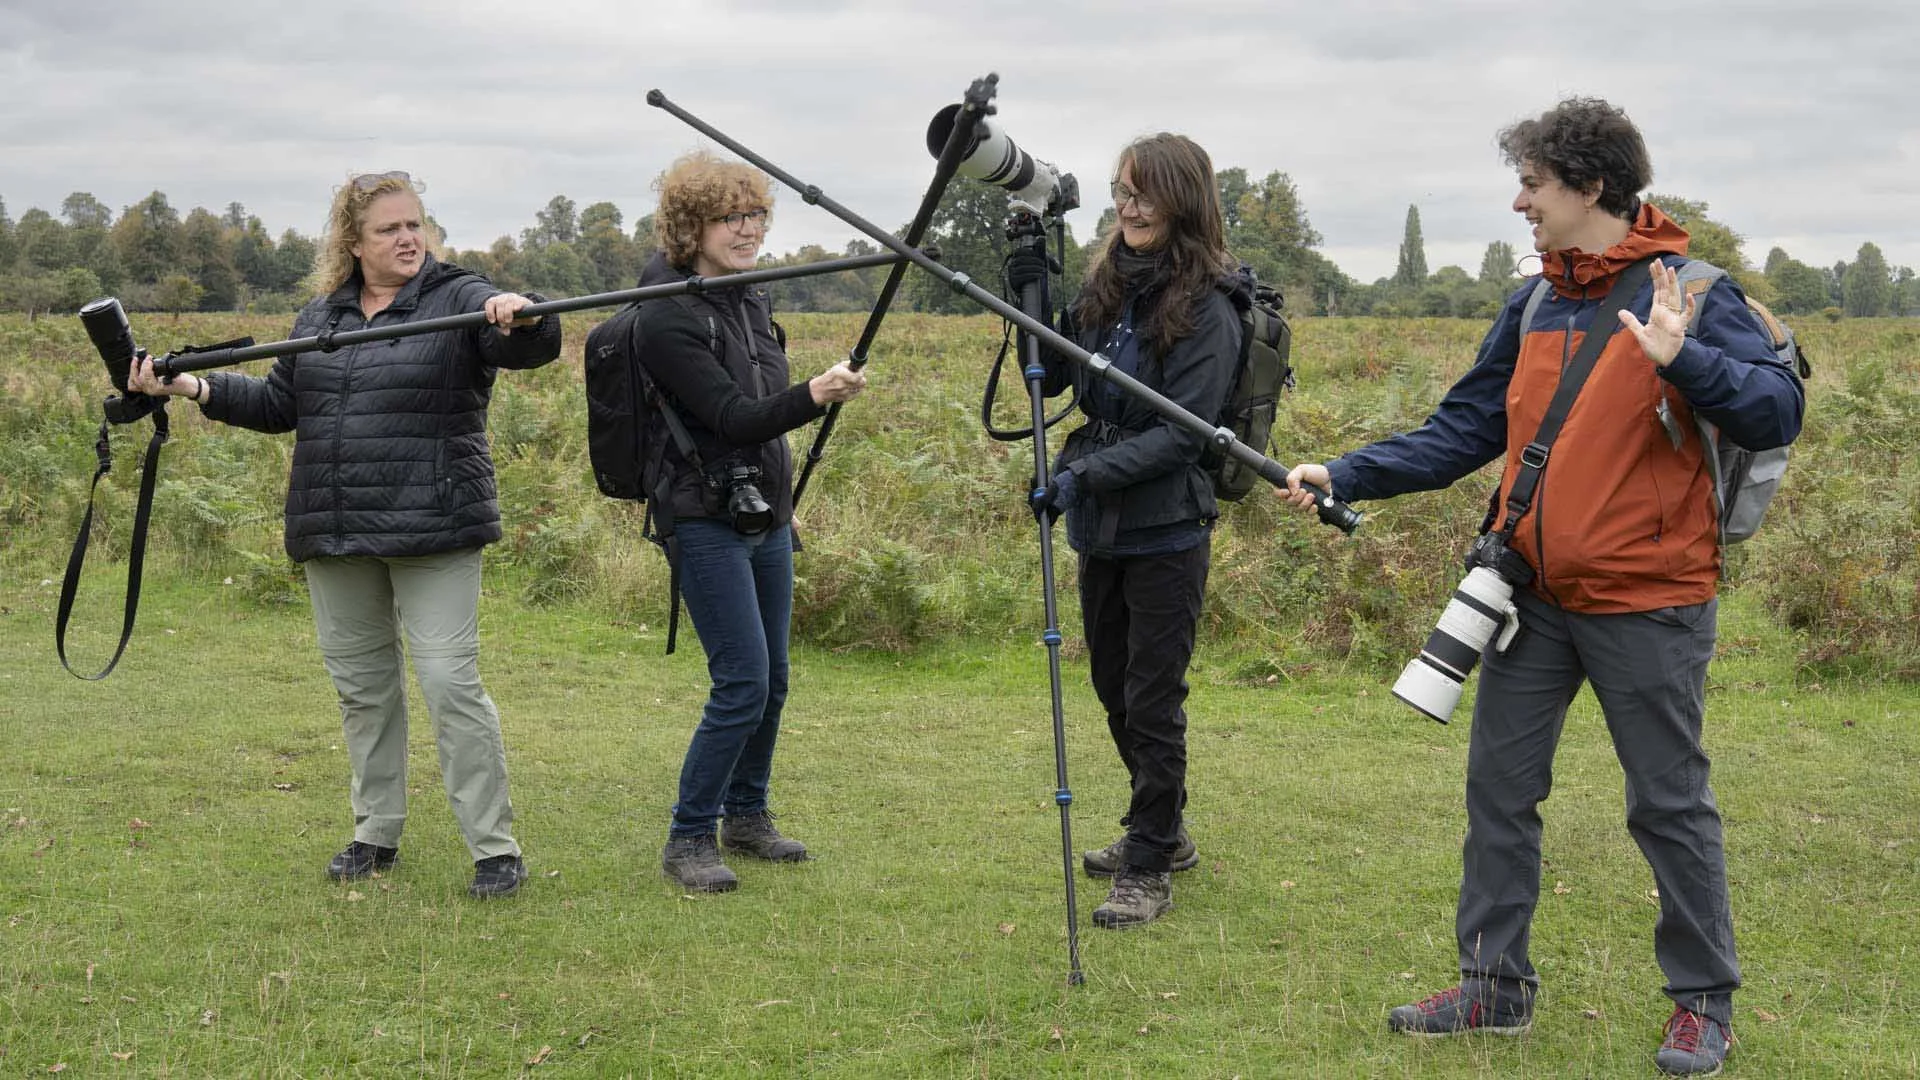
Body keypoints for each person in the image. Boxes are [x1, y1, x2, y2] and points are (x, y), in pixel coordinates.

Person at [1281, 98, 1804, 1075]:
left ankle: (1702, 1004)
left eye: (1533, 183)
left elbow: (1777, 412)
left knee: (1667, 801)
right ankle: (1494, 987)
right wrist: (1345, 473)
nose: (1520, 202)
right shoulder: (1532, 302)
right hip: (1533, 595)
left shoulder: (1690, 290)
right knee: (1500, 789)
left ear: (1591, 186)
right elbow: (1465, 428)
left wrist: (1683, 358)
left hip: (1653, 598)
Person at [129, 171, 560, 900]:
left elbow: (530, 343)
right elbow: (277, 405)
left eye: (416, 224)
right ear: (353, 242)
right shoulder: (317, 317)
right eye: (390, 228)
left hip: (436, 523)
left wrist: (525, 314)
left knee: (450, 685)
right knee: (364, 692)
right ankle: (375, 833)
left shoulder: (458, 298)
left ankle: (495, 849)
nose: (408, 239)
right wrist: (193, 389)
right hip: (336, 524)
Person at [1017, 133, 1250, 929]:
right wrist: (1028, 285)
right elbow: (1056, 373)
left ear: (1183, 200)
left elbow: (1181, 435)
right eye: (1123, 191)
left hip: (1166, 526)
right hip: (1103, 525)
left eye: (1146, 193)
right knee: (1111, 684)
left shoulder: (1211, 307)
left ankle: (1149, 860)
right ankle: (1165, 828)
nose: (1130, 206)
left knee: (1153, 699)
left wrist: (1079, 474)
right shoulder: (1109, 290)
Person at [634, 151, 867, 893]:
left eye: (755, 214)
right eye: (729, 216)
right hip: (700, 513)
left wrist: (786, 504)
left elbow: (764, 428)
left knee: (775, 678)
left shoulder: (751, 299)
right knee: (741, 679)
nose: (747, 229)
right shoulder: (665, 316)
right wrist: (817, 393)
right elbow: (735, 417)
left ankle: (748, 815)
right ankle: (688, 837)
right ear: (690, 225)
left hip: (764, 508)